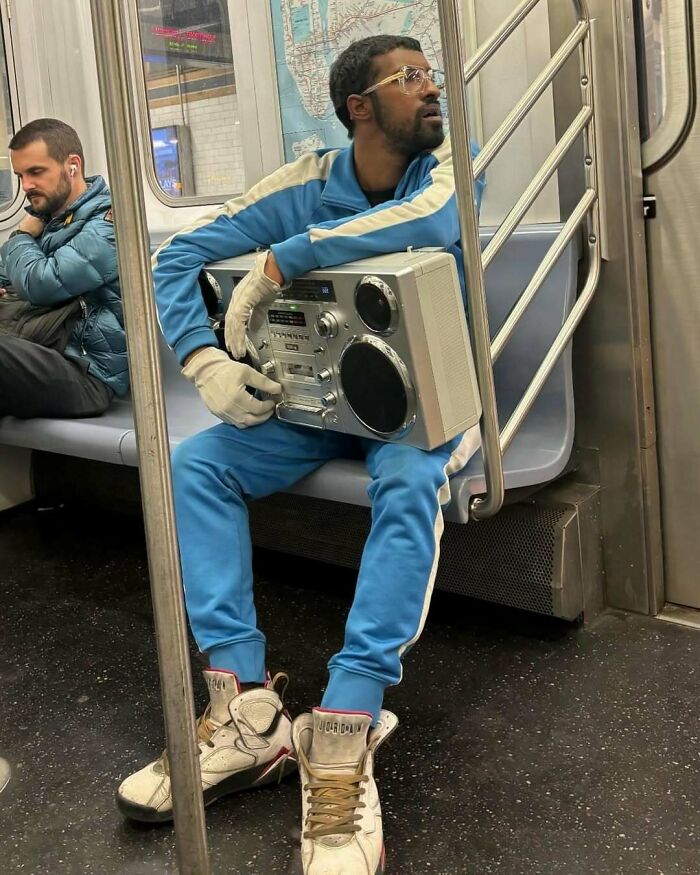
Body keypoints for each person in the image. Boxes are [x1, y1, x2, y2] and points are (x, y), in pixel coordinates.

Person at [117, 35, 484, 874]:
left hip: (430, 403)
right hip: (323, 403)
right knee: (198, 462)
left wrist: (291, 256)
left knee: (408, 477)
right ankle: (247, 709)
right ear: (360, 106)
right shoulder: (308, 183)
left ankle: (345, 726)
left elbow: (429, 223)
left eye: (432, 75)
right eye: (411, 79)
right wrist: (204, 360)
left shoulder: (448, 168)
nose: (433, 91)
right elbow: (176, 255)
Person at [0, 118, 127, 418]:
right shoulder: (45, 219)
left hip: (84, 369)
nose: (26, 186)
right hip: (35, 344)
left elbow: (43, 284)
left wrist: (20, 236)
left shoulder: (110, 222)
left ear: (73, 165)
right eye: (20, 175)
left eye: (36, 172)